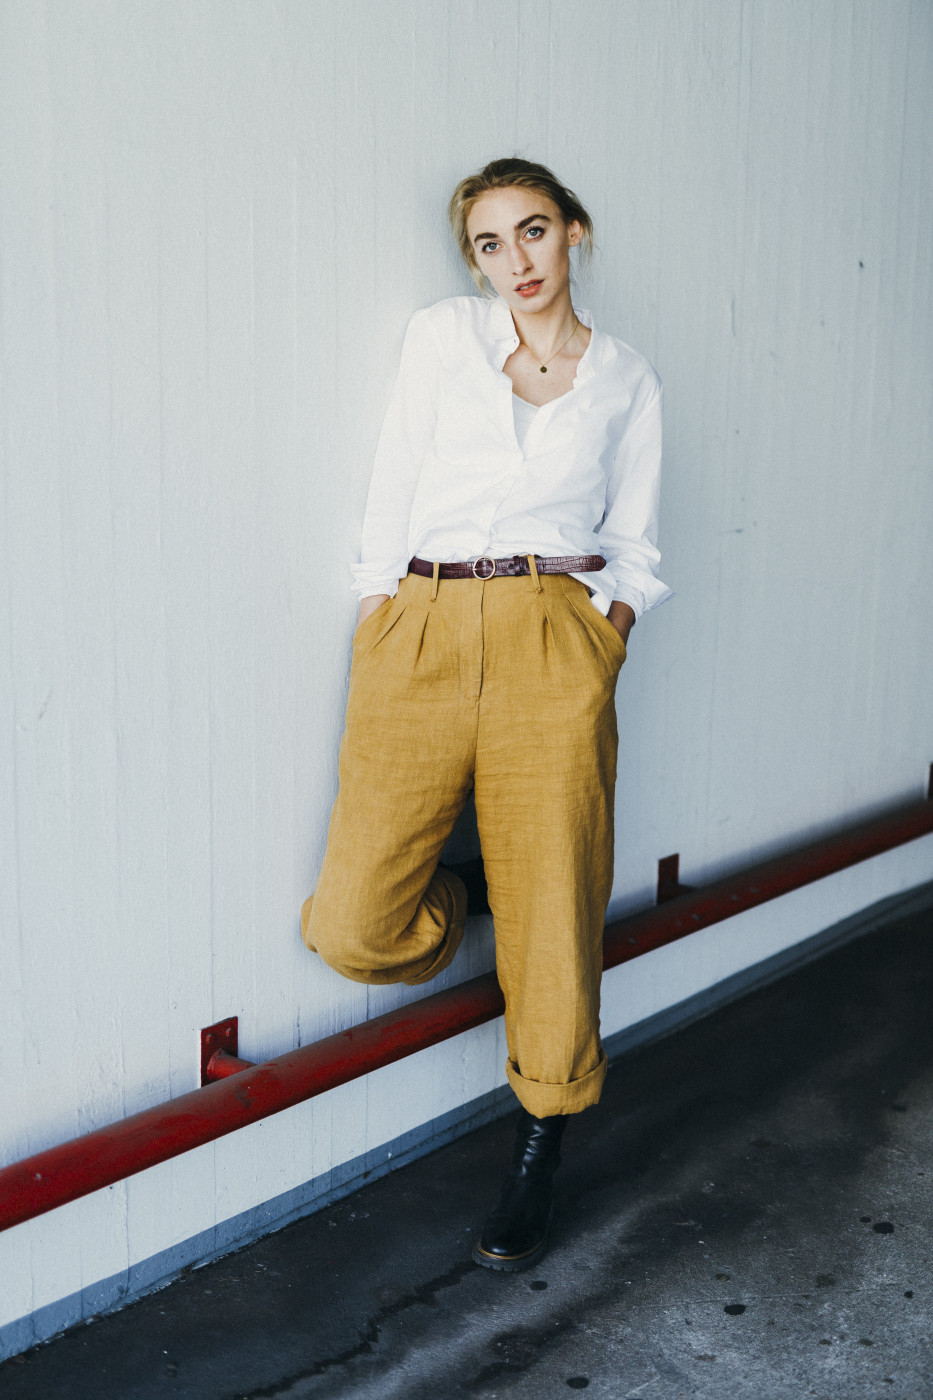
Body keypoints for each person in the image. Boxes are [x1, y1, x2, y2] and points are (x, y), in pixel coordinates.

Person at [301, 157, 672, 1271]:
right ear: (473, 261)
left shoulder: (628, 378)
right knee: (353, 923)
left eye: (534, 230)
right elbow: (392, 483)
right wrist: (379, 613)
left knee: (557, 909)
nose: (517, 259)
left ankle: (540, 1143)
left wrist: (603, 640)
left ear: (575, 231)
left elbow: (636, 541)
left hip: (554, 634)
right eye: (490, 243)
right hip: (421, 622)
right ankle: (467, 895)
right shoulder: (441, 338)